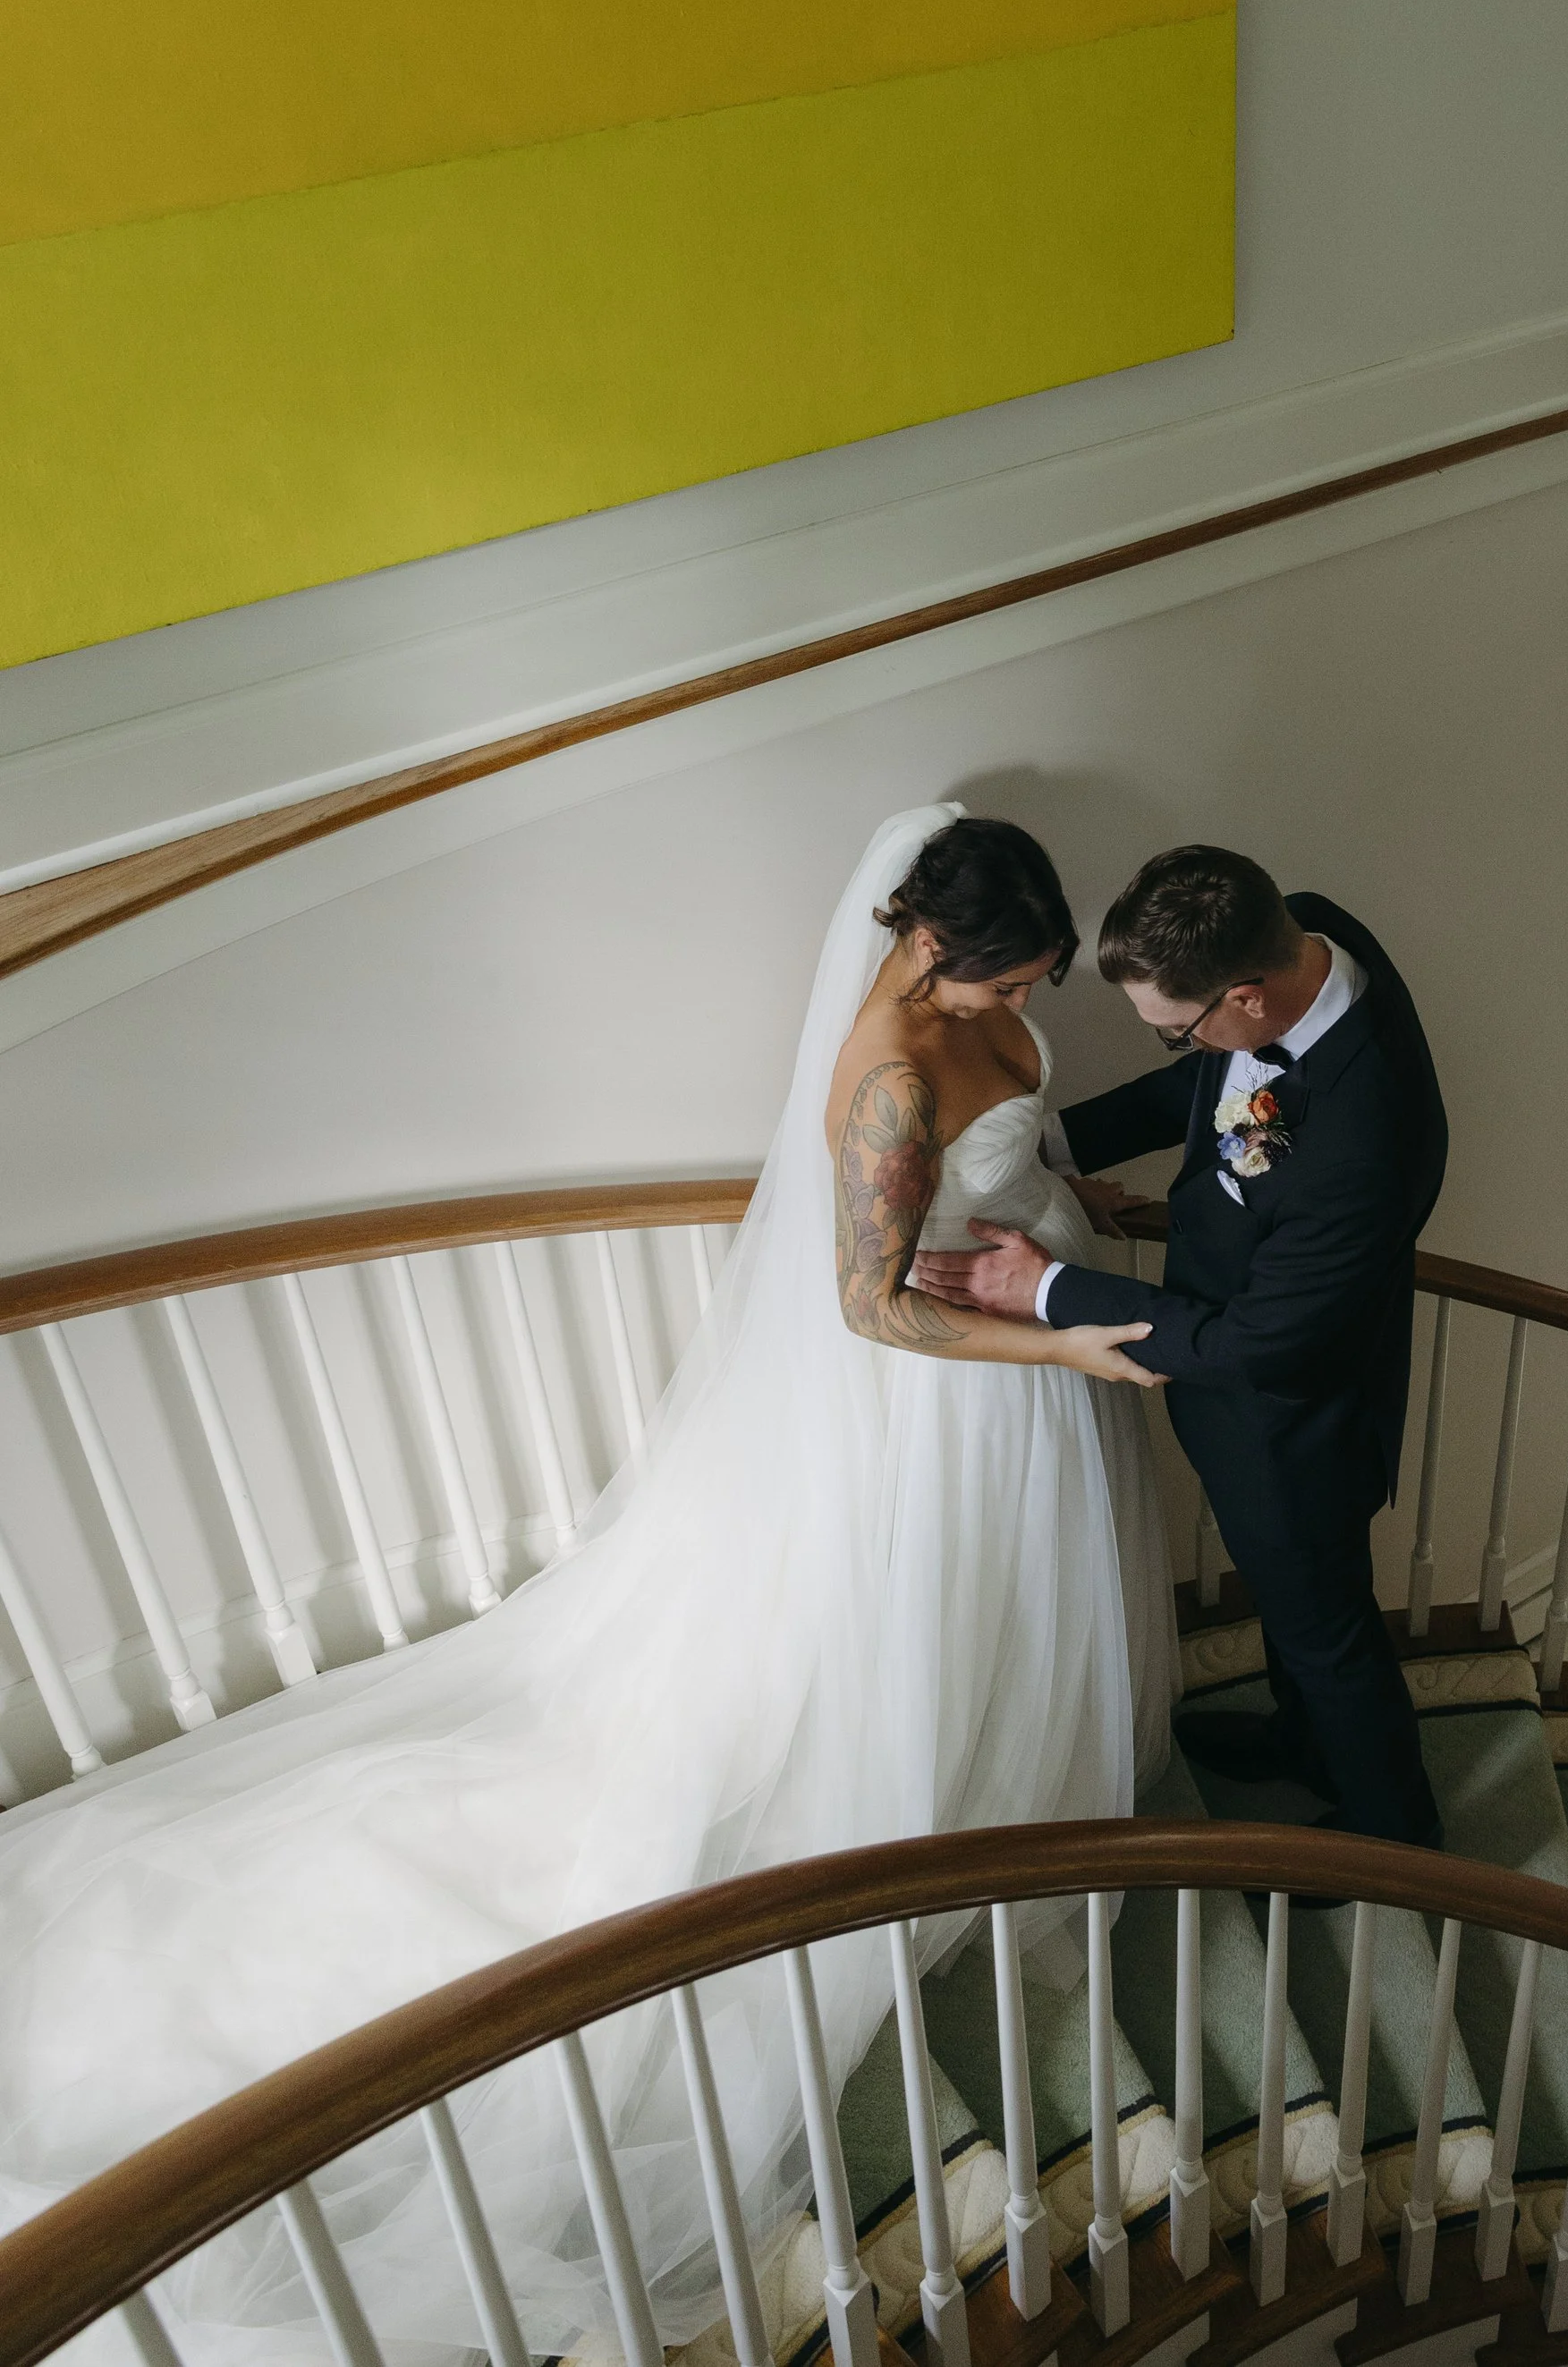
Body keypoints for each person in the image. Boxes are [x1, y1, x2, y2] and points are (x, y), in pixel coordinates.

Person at [0, 809, 1175, 2365]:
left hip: (1027, 1350)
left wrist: (1064, 1254)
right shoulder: (892, 1077)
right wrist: (1065, 1341)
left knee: (1011, 1641)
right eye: (997, 984)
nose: (1016, 1012)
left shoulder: (986, 1021)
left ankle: (999, 1798)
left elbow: (1022, 1145)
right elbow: (871, 1309)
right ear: (923, 949)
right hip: (948, 1400)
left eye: (1031, 984)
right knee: (903, 1648)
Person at [920, 843, 1447, 1854]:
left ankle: (1395, 1837)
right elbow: (1211, 1089)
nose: (1170, 1043)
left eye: (1172, 1030)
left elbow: (1256, 1344)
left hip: (1296, 1419)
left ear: (1245, 996)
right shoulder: (1300, 923)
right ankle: (1303, 1746)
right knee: (1292, 1610)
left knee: (1326, 1632)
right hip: (1240, 1381)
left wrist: (1045, 1289)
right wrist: (1045, 1154)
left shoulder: (1365, 1145)